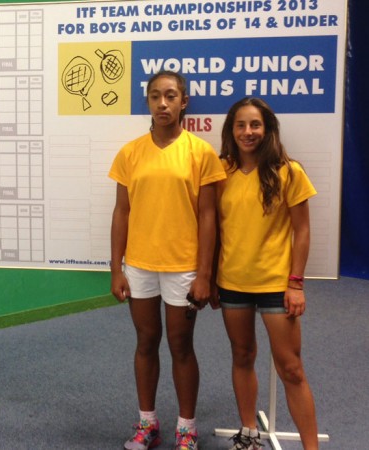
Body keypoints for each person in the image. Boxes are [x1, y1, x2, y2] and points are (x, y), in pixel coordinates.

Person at [109, 71, 226, 450]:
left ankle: (186, 429)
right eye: (156, 96)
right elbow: (121, 212)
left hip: (184, 268)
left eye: (171, 96)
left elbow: (209, 217)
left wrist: (205, 273)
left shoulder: (201, 152)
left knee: (181, 346)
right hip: (140, 265)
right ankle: (148, 425)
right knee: (146, 341)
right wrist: (116, 268)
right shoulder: (130, 152)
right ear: (148, 101)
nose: (163, 103)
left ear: (184, 102)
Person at [213, 97, 319, 450]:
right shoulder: (220, 173)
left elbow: (302, 231)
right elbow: (214, 229)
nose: (248, 132)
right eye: (240, 125)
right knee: (242, 356)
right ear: (231, 131)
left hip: (276, 285)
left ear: (268, 129)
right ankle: (248, 434)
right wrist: (211, 278)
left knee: (291, 369)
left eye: (255, 125)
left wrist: (296, 284)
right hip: (232, 284)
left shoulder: (289, 171)